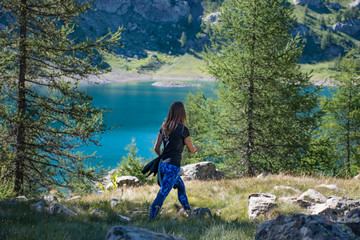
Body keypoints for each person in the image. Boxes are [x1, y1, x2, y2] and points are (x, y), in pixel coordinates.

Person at [149, 101, 198, 220]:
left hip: (163, 165)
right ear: (182, 113)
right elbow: (191, 150)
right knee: (163, 193)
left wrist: (163, 156)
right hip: (173, 167)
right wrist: (196, 148)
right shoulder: (183, 130)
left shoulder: (164, 127)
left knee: (181, 187)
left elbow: (156, 148)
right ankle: (151, 218)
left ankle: (188, 212)